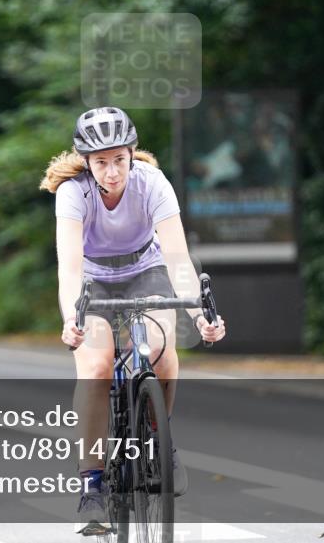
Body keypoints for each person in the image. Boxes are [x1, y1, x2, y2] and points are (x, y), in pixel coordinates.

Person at [40, 106, 227, 535]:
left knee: (160, 349)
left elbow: (178, 259)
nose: (112, 172)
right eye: (101, 162)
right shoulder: (73, 193)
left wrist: (200, 315)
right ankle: (92, 487)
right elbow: (70, 268)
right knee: (96, 366)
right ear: (86, 162)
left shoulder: (152, 183)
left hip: (146, 270)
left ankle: (161, 441)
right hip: (93, 281)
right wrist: (72, 318)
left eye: (119, 160)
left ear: (131, 154)